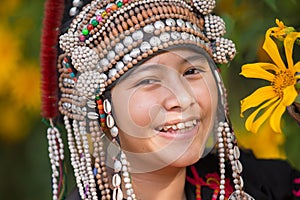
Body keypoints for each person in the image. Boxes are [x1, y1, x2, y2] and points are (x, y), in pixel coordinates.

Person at [40, 0, 300, 200]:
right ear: (100, 105)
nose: (184, 98)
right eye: (149, 80)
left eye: (192, 71)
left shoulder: (268, 186)